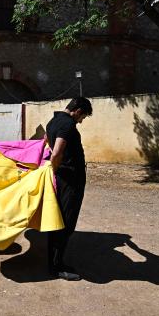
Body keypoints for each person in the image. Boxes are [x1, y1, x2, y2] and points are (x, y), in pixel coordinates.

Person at [45, 97, 92, 281]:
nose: (81, 121)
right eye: (83, 117)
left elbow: (45, 140)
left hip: (62, 179)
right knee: (64, 223)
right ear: (78, 111)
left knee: (58, 220)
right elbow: (56, 152)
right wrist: (52, 169)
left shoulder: (53, 121)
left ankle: (54, 262)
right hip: (69, 181)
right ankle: (56, 267)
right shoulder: (68, 125)